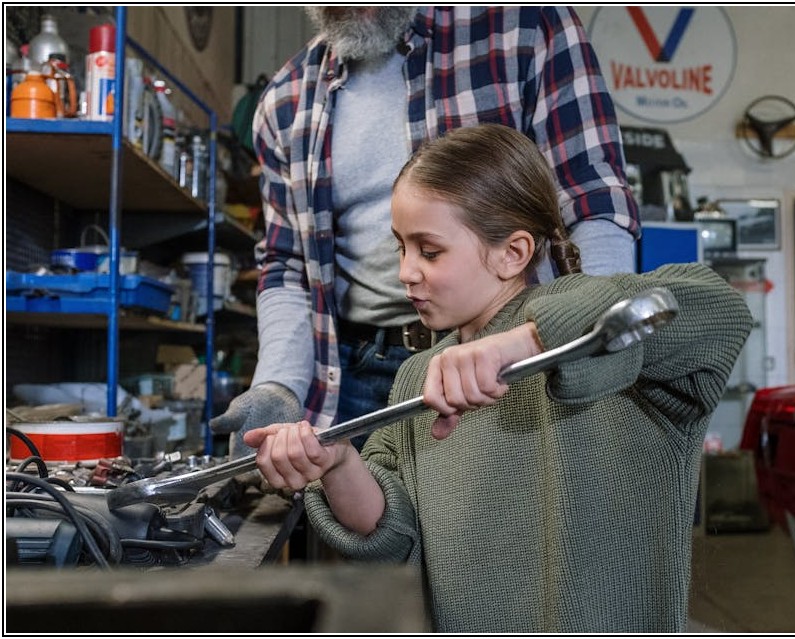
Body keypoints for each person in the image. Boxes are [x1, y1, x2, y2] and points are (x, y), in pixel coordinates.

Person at [244, 124, 754, 633]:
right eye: (401, 247)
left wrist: (524, 344)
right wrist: (336, 463)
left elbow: (722, 310)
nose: (406, 272)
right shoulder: (420, 377)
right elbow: (390, 537)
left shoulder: (606, 342)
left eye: (430, 250)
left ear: (513, 252)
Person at [210, 6, 640, 457]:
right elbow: (287, 264)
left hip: (503, 360)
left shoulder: (524, 29)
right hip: (354, 373)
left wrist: (584, 335)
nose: (406, 273)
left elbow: (594, 200)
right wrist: (278, 384)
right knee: (367, 520)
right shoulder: (285, 101)